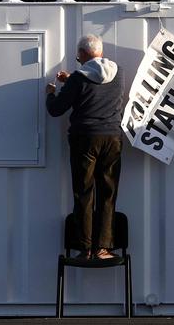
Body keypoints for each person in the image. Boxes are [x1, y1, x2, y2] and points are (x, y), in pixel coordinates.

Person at [46, 34, 125, 260]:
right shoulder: (118, 73)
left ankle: (86, 248)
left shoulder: (78, 79)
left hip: (85, 140)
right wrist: (71, 79)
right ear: (100, 52)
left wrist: (51, 94)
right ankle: (103, 248)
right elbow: (97, 88)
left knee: (84, 192)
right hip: (112, 138)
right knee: (108, 193)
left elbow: (56, 109)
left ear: (81, 54)